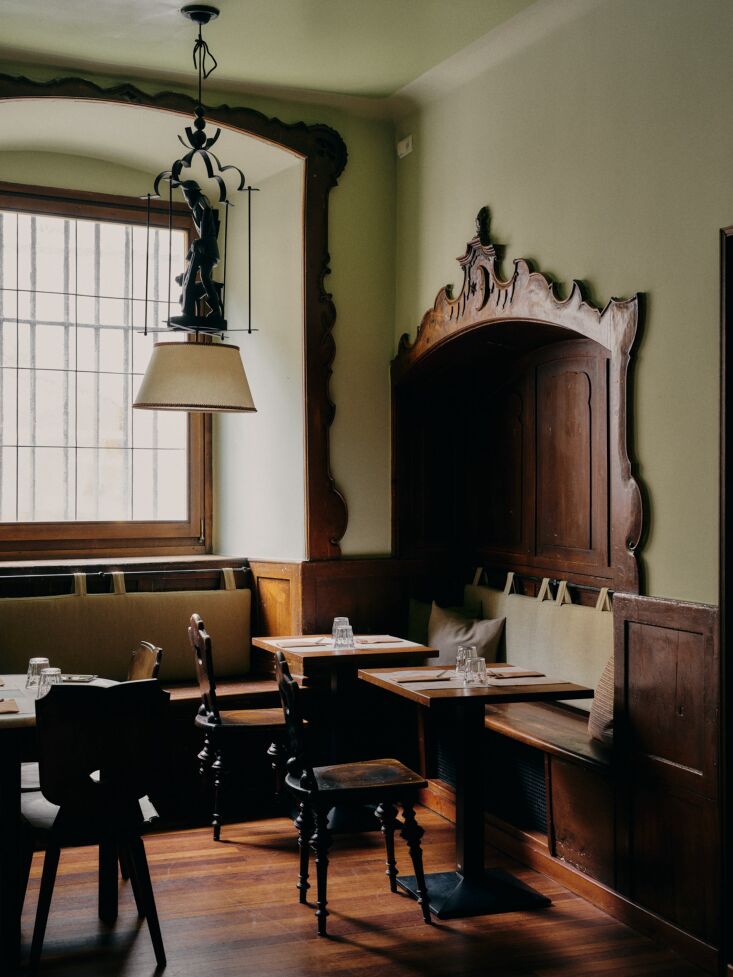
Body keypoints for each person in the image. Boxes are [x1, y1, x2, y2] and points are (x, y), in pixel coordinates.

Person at [178, 179, 223, 321]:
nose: (186, 199)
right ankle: (214, 309)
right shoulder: (196, 206)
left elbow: (207, 210)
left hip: (208, 247)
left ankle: (216, 310)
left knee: (204, 277)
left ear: (191, 193)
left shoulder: (202, 200)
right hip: (205, 246)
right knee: (202, 275)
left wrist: (202, 239)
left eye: (186, 195)